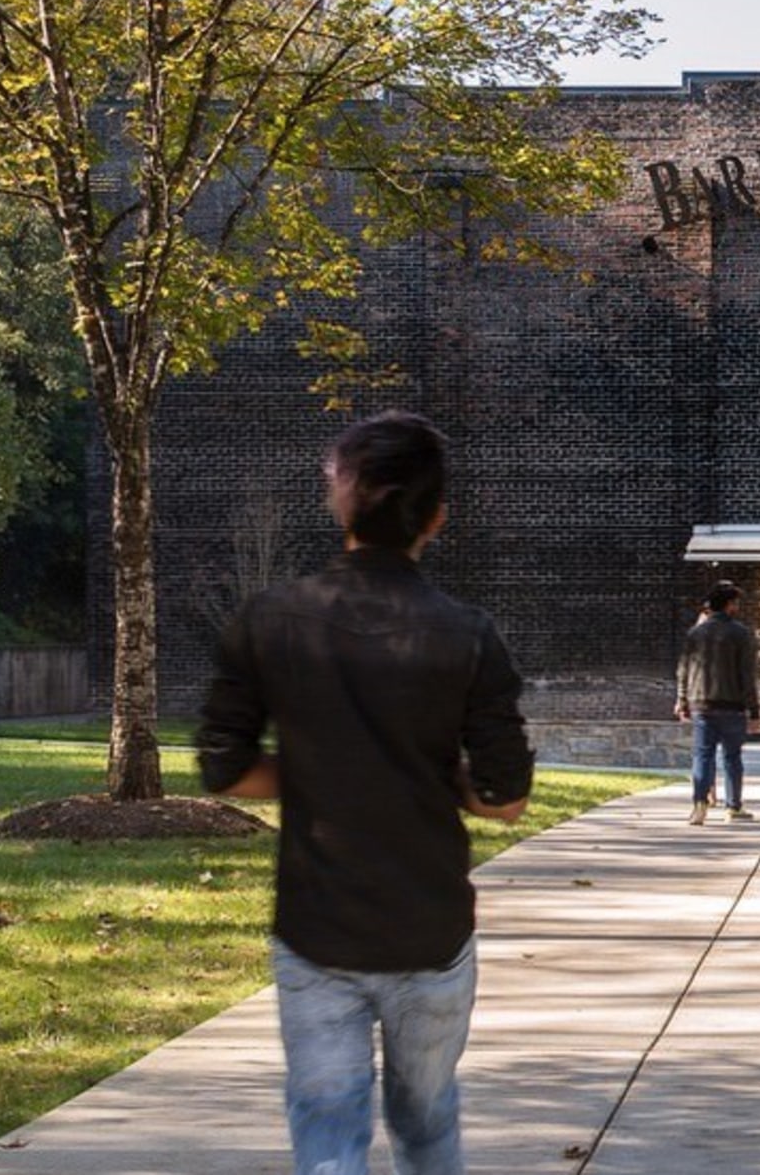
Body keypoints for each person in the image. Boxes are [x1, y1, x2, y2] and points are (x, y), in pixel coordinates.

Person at [195, 410, 533, 1175]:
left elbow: (225, 764)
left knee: (328, 1138)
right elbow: (504, 796)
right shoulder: (468, 633)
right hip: (430, 930)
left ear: (340, 504)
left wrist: (319, 768)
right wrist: (429, 774)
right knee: (425, 1122)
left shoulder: (271, 620)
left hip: (317, 927)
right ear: (436, 519)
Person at [675, 580, 760, 824]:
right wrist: (754, 710)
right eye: (736, 603)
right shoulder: (741, 633)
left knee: (702, 755)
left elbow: (683, 670)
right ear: (729, 605)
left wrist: (682, 700)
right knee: (732, 757)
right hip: (731, 705)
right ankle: (733, 807)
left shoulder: (695, 633)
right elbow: (747, 674)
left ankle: (699, 804)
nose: (738, 607)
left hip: (701, 703)